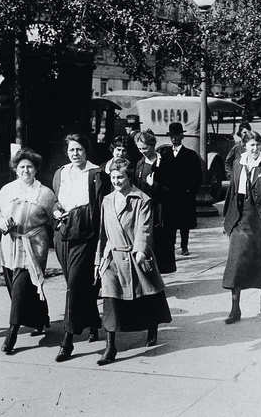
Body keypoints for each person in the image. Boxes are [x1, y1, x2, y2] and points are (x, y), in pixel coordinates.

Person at [94, 158, 172, 366]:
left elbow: (144, 228)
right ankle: (110, 347)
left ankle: (152, 327)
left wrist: (140, 250)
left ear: (129, 177)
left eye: (121, 177)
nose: (117, 181)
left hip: (134, 254)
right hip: (112, 257)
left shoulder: (142, 199)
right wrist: (98, 259)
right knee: (110, 299)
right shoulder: (107, 200)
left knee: (147, 294)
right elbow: (103, 233)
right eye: (113, 177)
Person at [0, 148, 57, 354]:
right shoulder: (7, 190)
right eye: (22, 167)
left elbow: (55, 216)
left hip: (34, 244)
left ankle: (12, 334)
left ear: (36, 169)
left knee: (22, 286)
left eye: (30, 167)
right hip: (10, 243)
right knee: (16, 286)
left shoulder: (45, 193)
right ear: (15, 169)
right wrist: (2, 223)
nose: (26, 170)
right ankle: (41, 317)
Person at [52, 134, 109, 362]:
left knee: (74, 285)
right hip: (63, 232)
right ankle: (93, 322)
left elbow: (101, 206)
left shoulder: (96, 174)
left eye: (79, 150)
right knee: (74, 284)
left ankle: (67, 341)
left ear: (86, 151)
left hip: (86, 232)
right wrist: (56, 210)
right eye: (72, 150)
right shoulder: (61, 173)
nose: (75, 154)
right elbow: (56, 199)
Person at [222, 131, 261, 324]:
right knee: (236, 262)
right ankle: (234, 308)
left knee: (260, 260)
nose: (255, 149)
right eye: (251, 145)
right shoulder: (239, 162)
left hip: (260, 219)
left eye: (257, 145)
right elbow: (232, 191)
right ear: (244, 146)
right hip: (240, 218)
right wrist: (228, 221)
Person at [157, 122, 202, 256]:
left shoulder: (191, 154)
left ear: (182, 137)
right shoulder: (164, 153)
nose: (174, 138)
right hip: (169, 195)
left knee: (184, 223)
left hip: (184, 195)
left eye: (177, 136)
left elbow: (197, 176)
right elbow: (159, 173)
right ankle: (171, 246)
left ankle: (184, 246)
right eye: (172, 136)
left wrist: (191, 191)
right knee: (169, 223)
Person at [134, 130, 176, 273]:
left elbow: (174, 188)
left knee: (160, 243)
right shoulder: (139, 164)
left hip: (161, 210)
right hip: (144, 209)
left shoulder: (165, 162)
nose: (142, 151)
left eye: (145, 148)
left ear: (152, 145)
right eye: (139, 148)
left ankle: (158, 276)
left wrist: (155, 185)